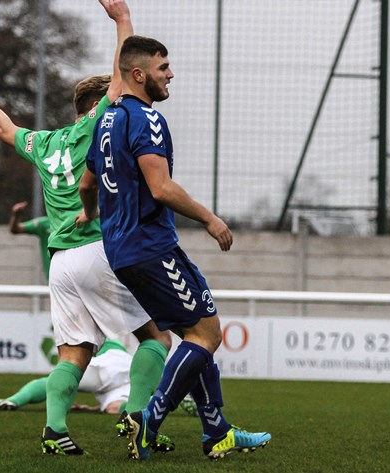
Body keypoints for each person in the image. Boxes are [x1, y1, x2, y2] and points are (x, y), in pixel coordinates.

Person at [0, 0, 172, 456]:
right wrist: (123, 21)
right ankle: (137, 418)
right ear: (95, 106)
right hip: (100, 248)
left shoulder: (45, 143)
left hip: (60, 263)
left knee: (73, 356)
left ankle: (55, 430)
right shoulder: (96, 126)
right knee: (158, 336)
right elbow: (124, 75)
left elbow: (3, 127)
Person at [79, 35, 271, 461]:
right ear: (138, 74)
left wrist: (91, 215)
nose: (170, 75)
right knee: (206, 332)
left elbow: (86, 184)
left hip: (122, 250)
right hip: (151, 245)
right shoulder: (146, 118)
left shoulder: (106, 120)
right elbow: (160, 187)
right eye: (163, 68)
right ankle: (150, 418)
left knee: (190, 333)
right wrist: (209, 218)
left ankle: (216, 430)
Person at [0, 339, 198, 419]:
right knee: (117, 408)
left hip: (109, 364)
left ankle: (13, 401)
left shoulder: (90, 323)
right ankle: (165, 399)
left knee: (58, 381)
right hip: (123, 374)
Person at [8, 201, 51, 282]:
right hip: (53, 278)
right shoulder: (43, 224)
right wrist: (16, 216)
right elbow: (15, 229)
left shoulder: (77, 220)